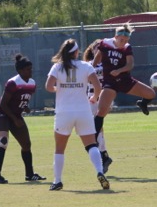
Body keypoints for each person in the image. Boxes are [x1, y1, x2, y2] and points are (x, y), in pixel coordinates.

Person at [45, 38, 110, 191]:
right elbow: (98, 86)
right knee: (91, 145)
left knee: (60, 149)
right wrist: (94, 98)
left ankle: (57, 181)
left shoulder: (57, 67)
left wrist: (59, 90)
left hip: (64, 113)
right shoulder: (86, 66)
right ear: (75, 52)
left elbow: (48, 86)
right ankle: (100, 172)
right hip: (83, 111)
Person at [92, 24, 156, 143]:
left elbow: (130, 64)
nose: (124, 42)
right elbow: (98, 56)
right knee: (101, 112)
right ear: (116, 36)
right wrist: (92, 68)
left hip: (125, 81)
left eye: (126, 40)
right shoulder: (105, 43)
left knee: (151, 94)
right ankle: (93, 139)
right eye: (122, 40)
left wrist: (119, 71)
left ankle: (142, 103)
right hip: (110, 83)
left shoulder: (127, 47)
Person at [0, 54, 46, 184]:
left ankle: (30, 174)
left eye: (31, 69)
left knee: (26, 144)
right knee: (3, 142)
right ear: (20, 71)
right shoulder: (13, 82)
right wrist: (15, 119)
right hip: (1, 114)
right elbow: (3, 104)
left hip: (15, 115)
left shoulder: (32, 84)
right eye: (27, 69)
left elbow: (20, 99)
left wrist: (25, 107)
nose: (30, 71)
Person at [83, 39, 113, 173]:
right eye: (96, 47)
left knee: (94, 125)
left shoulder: (108, 63)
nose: (99, 49)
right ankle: (104, 154)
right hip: (90, 98)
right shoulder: (88, 64)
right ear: (92, 50)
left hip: (101, 97)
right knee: (97, 126)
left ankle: (103, 154)